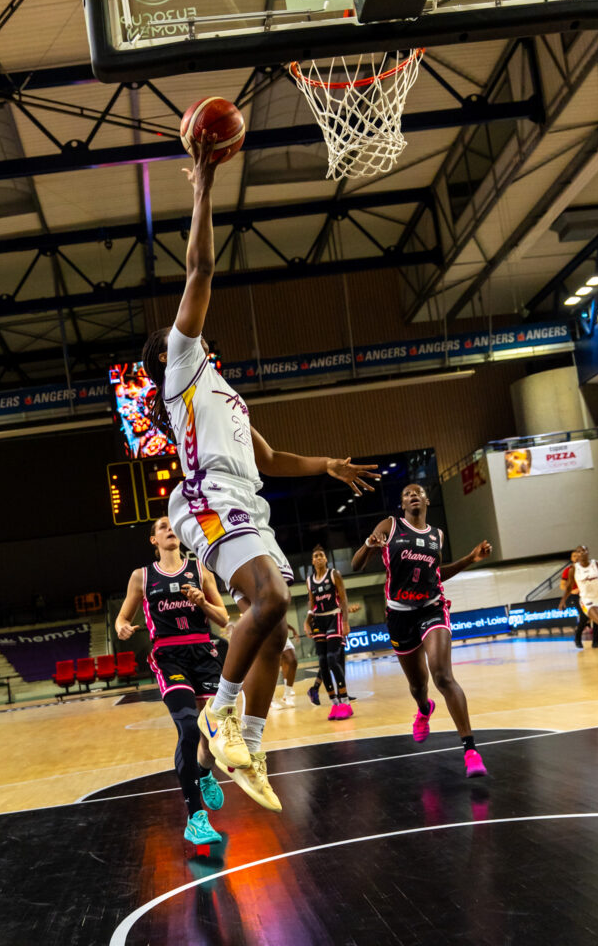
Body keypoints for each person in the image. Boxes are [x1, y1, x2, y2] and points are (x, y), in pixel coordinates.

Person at [140, 133, 377, 814]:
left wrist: (326, 464)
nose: (194, 331)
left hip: (247, 499)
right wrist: (205, 188)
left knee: (274, 628)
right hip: (207, 496)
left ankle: (248, 745)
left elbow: (271, 460)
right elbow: (200, 269)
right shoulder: (182, 368)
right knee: (269, 596)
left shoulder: (227, 395)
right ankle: (218, 711)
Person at [352, 484, 491, 778]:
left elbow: (437, 574)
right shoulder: (390, 526)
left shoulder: (436, 535)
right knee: (418, 686)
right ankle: (424, 708)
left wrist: (470, 559)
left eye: (418, 492)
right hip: (399, 615)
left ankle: (470, 750)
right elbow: (356, 564)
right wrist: (369, 544)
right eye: (407, 494)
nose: (413, 495)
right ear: (402, 504)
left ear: (426, 500)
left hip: (432, 607)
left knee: (442, 675)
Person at [116, 516, 229, 846]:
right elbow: (122, 618)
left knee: (211, 733)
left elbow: (223, 618)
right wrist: (122, 627)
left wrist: (202, 602)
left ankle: (204, 772)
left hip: (204, 652)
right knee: (189, 728)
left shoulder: (200, 570)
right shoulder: (142, 576)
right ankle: (195, 818)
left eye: (172, 526)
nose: (169, 529)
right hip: (168, 656)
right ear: (153, 540)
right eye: (162, 527)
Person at [304, 546, 352, 719]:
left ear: (326, 559)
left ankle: (345, 701)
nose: (318, 558)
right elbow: (311, 603)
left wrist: (345, 621)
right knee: (323, 662)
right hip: (319, 620)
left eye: (321, 555)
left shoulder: (334, 574)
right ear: (312, 561)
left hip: (334, 616)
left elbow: (343, 598)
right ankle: (334, 703)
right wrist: (307, 621)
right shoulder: (309, 580)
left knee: (332, 658)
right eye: (315, 556)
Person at [561, 549, 598, 649]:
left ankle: (596, 642)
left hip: (590, 594)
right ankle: (577, 638)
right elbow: (562, 585)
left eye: (578, 555)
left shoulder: (588, 568)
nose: (577, 557)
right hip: (577, 596)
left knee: (597, 615)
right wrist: (571, 591)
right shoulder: (568, 570)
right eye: (574, 556)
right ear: (571, 559)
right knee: (584, 616)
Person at [269, 625, 299, 709]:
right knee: (271, 669)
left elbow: (282, 620)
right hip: (268, 637)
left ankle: (287, 695)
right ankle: (271, 700)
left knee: (293, 661)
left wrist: (293, 629)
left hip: (282, 636)